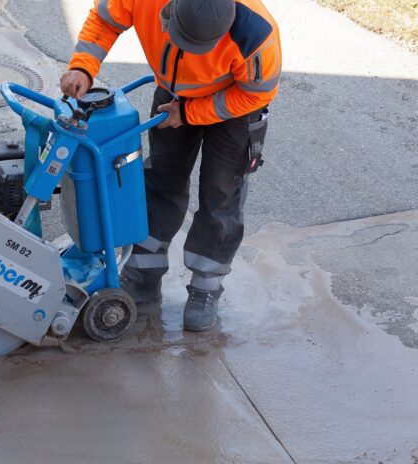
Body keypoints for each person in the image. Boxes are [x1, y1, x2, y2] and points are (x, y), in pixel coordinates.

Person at [60, 0, 282, 331]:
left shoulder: (257, 34)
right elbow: (106, 20)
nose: (191, 52)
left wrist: (191, 114)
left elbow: (256, 95)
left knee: (222, 194)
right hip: (172, 94)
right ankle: (143, 275)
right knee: (159, 181)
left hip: (234, 108)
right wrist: (84, 65)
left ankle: (206, 288)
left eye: (200, 47)